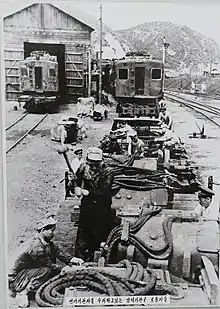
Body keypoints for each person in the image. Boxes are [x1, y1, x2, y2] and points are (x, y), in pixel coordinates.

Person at [8, 215, 83, 308]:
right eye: (51, 230)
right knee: (46, 271)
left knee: (50, 271)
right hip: (15, 279)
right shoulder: (36, 246)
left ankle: (29, 287)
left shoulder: (46, 241)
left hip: (25, 273)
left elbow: (58, 251)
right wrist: (66, 268)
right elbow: (49, 265)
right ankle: (22, 293)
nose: (54, 233)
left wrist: (72, 259)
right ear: (43, 230)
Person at [69, 147, 118, 261]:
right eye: (92, 164)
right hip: (87, 207)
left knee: (100, 234)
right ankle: (80, 258)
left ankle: (100, 257)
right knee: (84, 233)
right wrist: (73, 185)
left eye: (97, 164)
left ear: (101, 161)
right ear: (87, 161)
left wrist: (87, 192)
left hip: (102, 208)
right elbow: (77, 183)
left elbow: (105, 192)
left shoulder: (108, 171)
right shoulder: (83, 168)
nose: (94, 167)